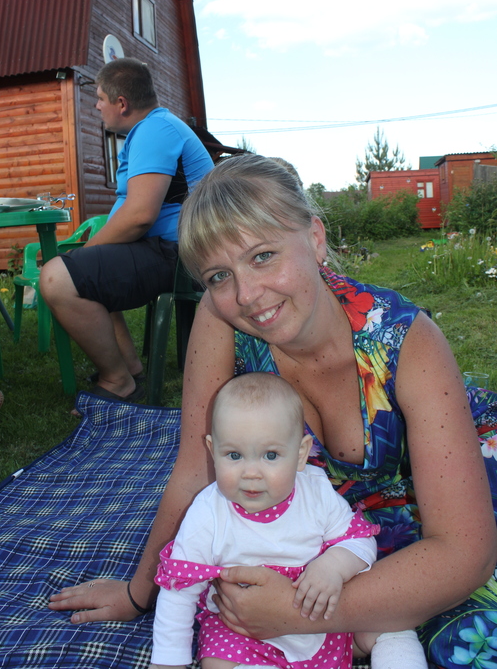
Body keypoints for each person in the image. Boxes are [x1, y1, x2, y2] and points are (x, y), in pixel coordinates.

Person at [48, 155, 497, 669]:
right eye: (219, 275)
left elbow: (465, 552)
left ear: (316, 238)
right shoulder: (225, 318)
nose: (246, 295)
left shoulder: (406, 341)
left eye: (262, 256)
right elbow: (197, 468)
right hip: (325, 527)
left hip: (439, 503)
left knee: (470, 642)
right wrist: (139, 593)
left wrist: (295, 614)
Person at [150, 372, 427, 669]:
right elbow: (179, 588)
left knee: (392, 625)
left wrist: (332, 566)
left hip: (320, 619)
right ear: (212, 451)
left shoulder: (316, 492)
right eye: (234, 455)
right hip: (243, 632)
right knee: (217, 662)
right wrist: (168, 662)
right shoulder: (208, 513)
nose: (251, 473)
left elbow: (360, 541)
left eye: (270, 455)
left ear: (301, 454)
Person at [39, 58, 213, 402]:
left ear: (122, 103)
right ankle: (130, 368)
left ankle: (118, 381)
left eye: (100, 98)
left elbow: (139, 216)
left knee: (58, 278)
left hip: (181, 254)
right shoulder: (155, 128)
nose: (97, 106)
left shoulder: (155, 130)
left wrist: (86, 252)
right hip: (170, 247)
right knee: (86, 270)